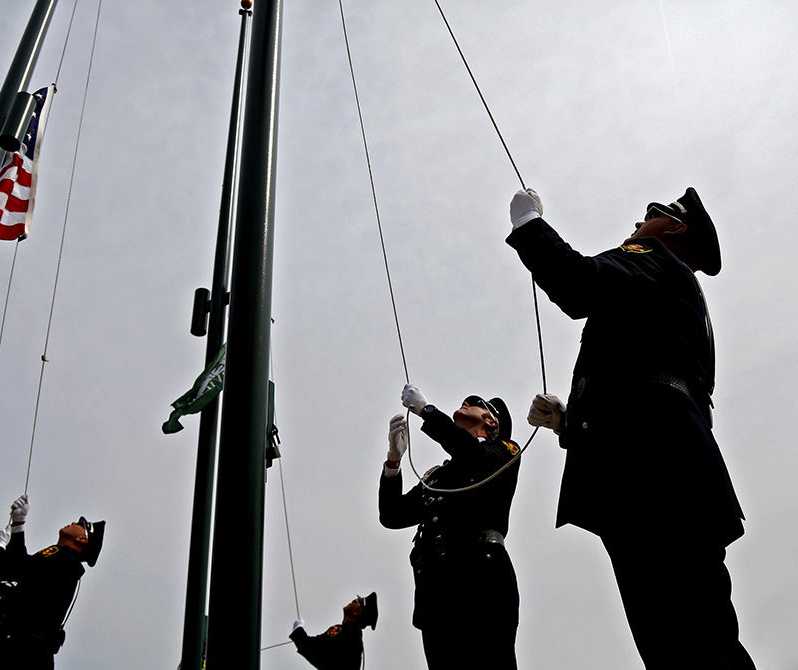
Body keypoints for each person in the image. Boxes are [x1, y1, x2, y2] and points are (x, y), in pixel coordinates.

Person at [507, 187, 755, 668]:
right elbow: (647, 386)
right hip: (663, 468)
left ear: (674, 228)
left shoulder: (652, 257)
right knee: (688, 640)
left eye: (652, 214)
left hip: (652, 475)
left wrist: (530, 227)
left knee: (687, 641)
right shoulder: (669, 284)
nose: (639, 221)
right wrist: (568, 423)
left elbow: (578, 284)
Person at [379, 384, 521, 670]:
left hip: (481, 580)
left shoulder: (503, 451)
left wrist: (426, 412)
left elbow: (474, 456)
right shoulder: (440, 475)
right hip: (436, 594)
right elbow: (393, 516)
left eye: (476, 402)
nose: (466, 402)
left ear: (491, 421)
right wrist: (393, 462)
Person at [0, 495, 105, 669]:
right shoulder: (61, 557)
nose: (74, 522)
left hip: (24, 652)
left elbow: (14, 569)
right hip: (25, 650)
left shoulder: (63, 558)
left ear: (82, 539)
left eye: (80, 525)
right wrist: (18, 526)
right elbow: (22, 566)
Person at [289, 592, 378, 670]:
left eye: (357, 601)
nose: (353, 601)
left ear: (357, 612)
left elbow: (314, 648)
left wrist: (298, 631)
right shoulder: (354, 637)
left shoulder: (347, 633)